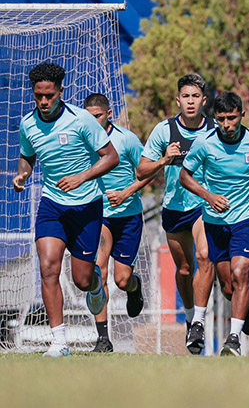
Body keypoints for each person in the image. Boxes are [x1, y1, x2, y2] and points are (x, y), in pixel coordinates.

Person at [13, 63, 119, 357]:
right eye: (38, 96)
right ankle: (59, 342)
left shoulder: (82, 120)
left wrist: (81, 177)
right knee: (48, 268)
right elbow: (27, 156)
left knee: (82, 280)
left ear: (61, 91)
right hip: (52, 205)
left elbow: (111, 157)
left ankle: (96, 284)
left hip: (86, 206)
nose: (44, 102)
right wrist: (23, 174)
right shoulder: (28, 124)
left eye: (49, 95)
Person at [180, 91, 249, 356]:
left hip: (245, 219)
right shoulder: (204, 143)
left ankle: (232, 339)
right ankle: (246, 308)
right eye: (221, 119)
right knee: (227, 286)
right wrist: (208, 196)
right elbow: (184, 176)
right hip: (214, 221)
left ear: (241, 115)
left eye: (232, 118)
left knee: (240, 272)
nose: (227, 125)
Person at [137, 73, 225, 355]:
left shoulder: (214, 129)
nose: (190, 101)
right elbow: (141, 170)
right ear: (178, 100)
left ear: (204, 100)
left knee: (204, 256)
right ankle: (190, 319)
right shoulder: (164, 131)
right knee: (185, 270)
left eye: (195, 96)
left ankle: (199, 320)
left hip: (204, 204)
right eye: (185, 96)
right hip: (174, 208)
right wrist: (165, 159)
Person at [84, 93, 151, 353]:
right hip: (98, 215)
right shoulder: (82, 140)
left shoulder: (127, 139)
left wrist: (126, 193)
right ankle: (103, 338)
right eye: (88, 117)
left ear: (108, 114)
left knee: (122, 280)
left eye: (97, 116)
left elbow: (148, 173)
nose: (93, 122)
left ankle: (136, 288)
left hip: (128, 217)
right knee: (97, 271)